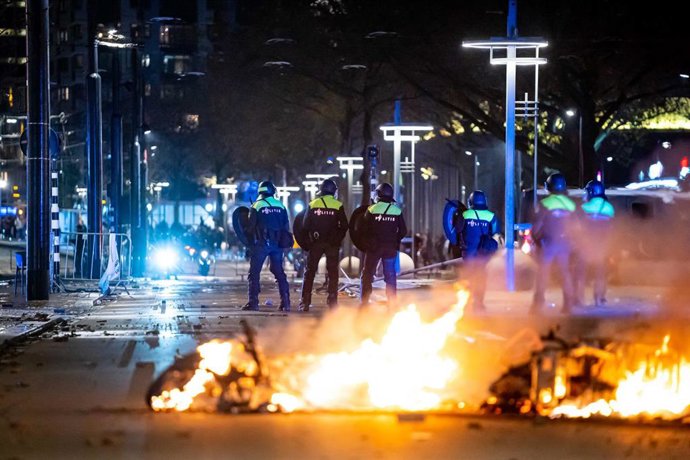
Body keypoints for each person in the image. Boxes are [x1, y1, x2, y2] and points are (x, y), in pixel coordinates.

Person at [530, 172, 577, 314]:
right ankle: (568, 305)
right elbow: (576, 227)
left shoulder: (545, 203)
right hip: (565, 244)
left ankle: (537, 305)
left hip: (548, 243)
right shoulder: (570, 204)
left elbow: (537, 226)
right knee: (565, 273)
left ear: (548, 187)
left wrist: (536, 239)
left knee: (543, 273)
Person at [299, 178, 349, 311]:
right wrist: (337, 239)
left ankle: (305, 302)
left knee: (310, 272)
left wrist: (309, 240)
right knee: (333, 273)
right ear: (333, 191)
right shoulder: (338, 205)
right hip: (332, 245)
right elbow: (345, 225)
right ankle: (332, 301)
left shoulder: (313, 204)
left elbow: (305, 225)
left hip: (316, 243)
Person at [242, 180, 292, 312]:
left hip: (261, 244)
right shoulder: (281, 205)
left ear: (260, 192)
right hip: (277, 245)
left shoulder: (257, 206)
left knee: (254, 272)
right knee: (278, 271)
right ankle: (285, 301)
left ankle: (253, 303)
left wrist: (245, 236)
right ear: (273, 191)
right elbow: (286, 227)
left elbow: (251, 227)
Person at [359, 183, 407, 307]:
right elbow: (403, 231)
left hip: (373, 248)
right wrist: (394, 240)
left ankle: (364, 302)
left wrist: (368, 242)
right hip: (390, 248)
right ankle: (392, 303)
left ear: (379, 194)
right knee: (390, 275)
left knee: (368, 274)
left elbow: (362, 228)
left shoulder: (372, 209)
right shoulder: (396, 210)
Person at [573, 179, 616, 307]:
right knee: (600, 273)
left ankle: (579, 299)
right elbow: (612, 228)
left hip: (585, 246)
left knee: (580, 272)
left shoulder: (584, 208)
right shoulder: (609, 207)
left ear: (591, 192)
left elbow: (576, 228)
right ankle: (600, 298)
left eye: (587, 191)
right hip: (601, 246)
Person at [455, 190, 499, 312]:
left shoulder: (465, 214)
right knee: (481, 276)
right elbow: (495, 232)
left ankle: (467, 302)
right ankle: (479, 302)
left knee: (468, 276)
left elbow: (457, 230)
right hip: (483, 253)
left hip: (468, 252)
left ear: (471, 201)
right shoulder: (491, 216)